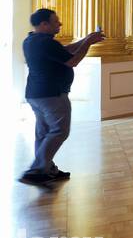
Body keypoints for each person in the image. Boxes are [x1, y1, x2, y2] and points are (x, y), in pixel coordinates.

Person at [19, 10, 103, 185]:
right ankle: (37, 170)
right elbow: (72, 60)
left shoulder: (32, 40)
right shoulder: (45, 43)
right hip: (52, 94)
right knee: (59, 131)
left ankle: (47, 169)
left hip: (36, 94)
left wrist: (87, 38)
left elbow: (64, 51)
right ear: (44, 24)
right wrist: (88, 42)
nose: (60, 24)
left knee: (43, 133)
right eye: (55, 21)